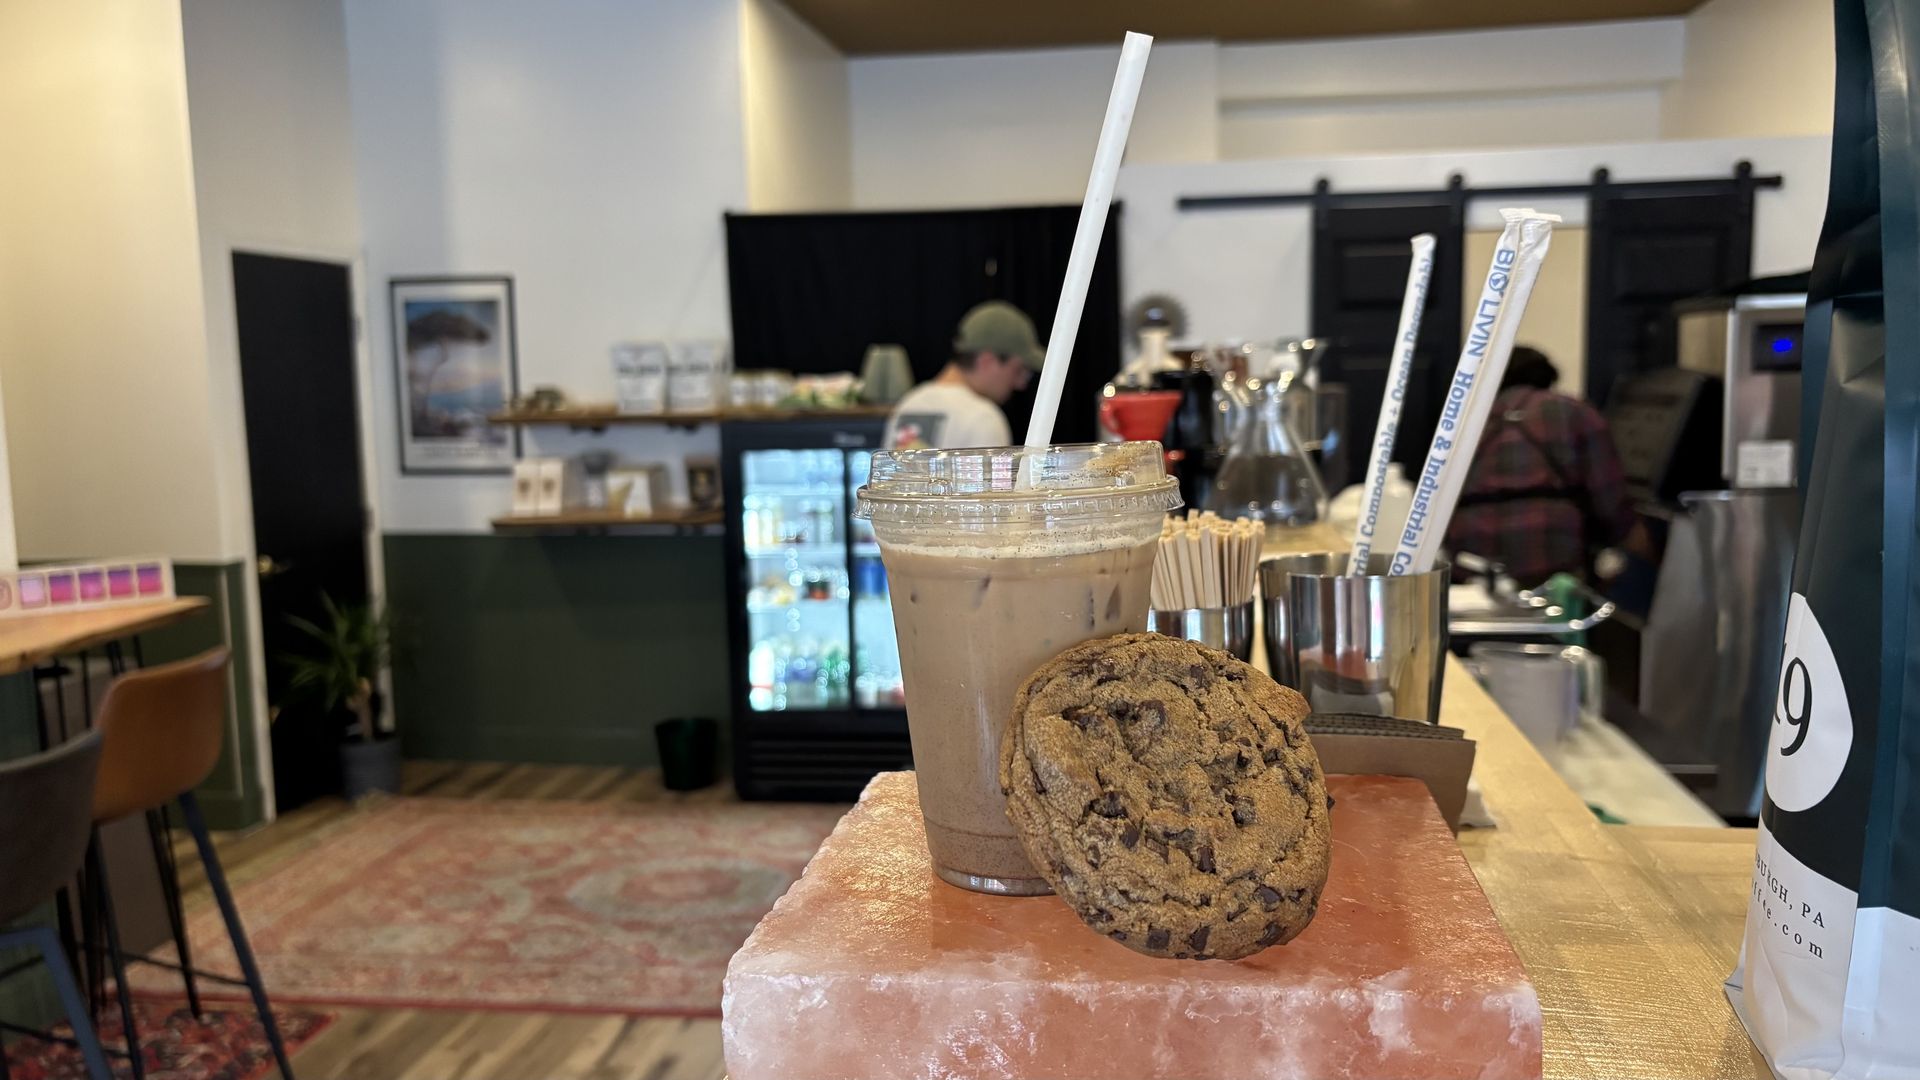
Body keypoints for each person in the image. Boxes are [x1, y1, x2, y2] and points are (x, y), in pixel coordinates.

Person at [1444, 346, 1633, 583]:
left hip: (1471, 556)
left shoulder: (1461, 418)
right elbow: (1609, 496)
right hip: (1551, 553)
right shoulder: (1574, 411)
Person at [884, 301, 1044, 451]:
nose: (1020, 384)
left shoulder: (908, 405)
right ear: (987, 361)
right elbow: (993, 482)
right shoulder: (983, 418)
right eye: (1018, 370)